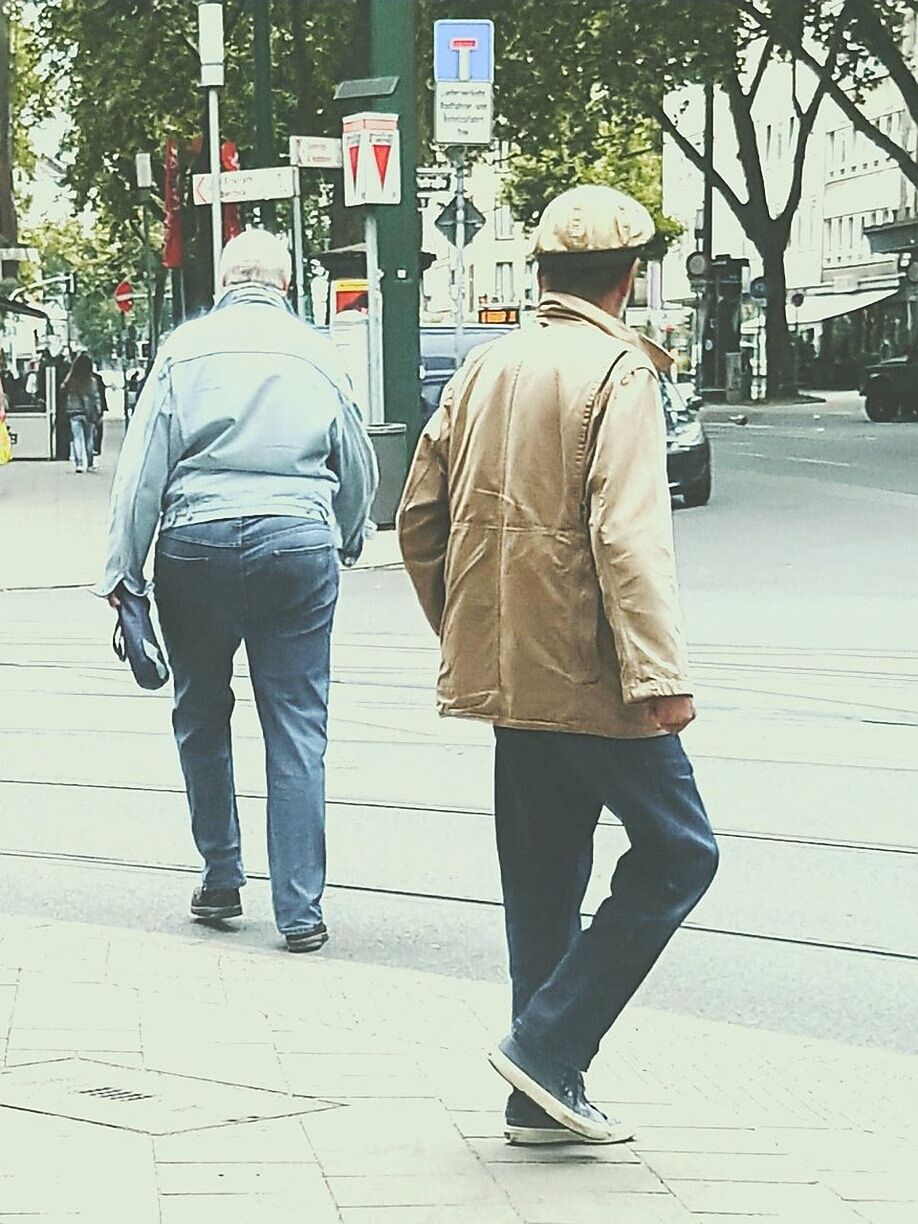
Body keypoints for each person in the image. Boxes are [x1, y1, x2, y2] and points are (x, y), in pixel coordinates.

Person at [398, 185, 719, 1146]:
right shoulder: (618, 373)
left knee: (541, 882)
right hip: (593, 670)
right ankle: (545, 1052)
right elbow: (627, 537)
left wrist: (470, 628)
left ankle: (535, 1093)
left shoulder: (483, 368)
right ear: (629, 279)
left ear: (541, 275)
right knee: (681, 852)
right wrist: (659, 675)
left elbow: (419, 519)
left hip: (509, 668)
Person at [98, 228, 378, 953]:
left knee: (200, 709)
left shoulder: (181, 352)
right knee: (297, 720)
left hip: (196, 546)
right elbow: (356, 460)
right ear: (286, 286)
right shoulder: (319, 353)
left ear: (223, 285)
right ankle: (299, 910)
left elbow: (141, 475)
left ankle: (221, 876)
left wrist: (123, 574)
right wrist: (343, 535)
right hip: (297, 544)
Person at [61, 352, 102, 473]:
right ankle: (89, 462)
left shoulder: (71, 380)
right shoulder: (92, 381)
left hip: (74, 412)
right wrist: (98, 411)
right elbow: (95, 397)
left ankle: (79, 464)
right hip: (88, 412)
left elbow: (62, 388)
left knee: (77, 438)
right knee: (89, 438)